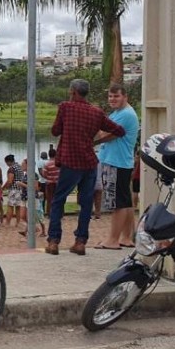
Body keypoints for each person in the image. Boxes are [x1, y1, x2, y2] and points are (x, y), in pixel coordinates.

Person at [46, 79, 124, 256]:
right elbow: (119, 131)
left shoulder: (65, 107)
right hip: (89, 163)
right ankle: (80, 242)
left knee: (59, 200)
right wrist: (95, 140)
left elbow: (55, 131)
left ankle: (53, 241)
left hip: (70, 162)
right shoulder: (96, 112)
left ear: (73, 91)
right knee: (86, 203)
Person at [94, 83, 140, 251]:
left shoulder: (125, 115)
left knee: (118, 203)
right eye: (110, 96)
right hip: (120, 161)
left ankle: (112, 240)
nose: (112, 99)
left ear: (125, 97)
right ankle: (126, 237)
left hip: (116, 162)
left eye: (116, 96)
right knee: (125, 201)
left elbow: (105, 135)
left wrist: (95, 133)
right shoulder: (118, 113)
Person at [3, 154, 25, 228]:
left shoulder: (12, 168)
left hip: (13, 189)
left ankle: (7, 223)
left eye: (6, 163)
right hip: (20, 189)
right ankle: (18, 222)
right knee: (18, 207)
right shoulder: (19, 167)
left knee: (10, 206)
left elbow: (10, 181)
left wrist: (4, 188)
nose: (6, 164)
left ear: (8, 162)